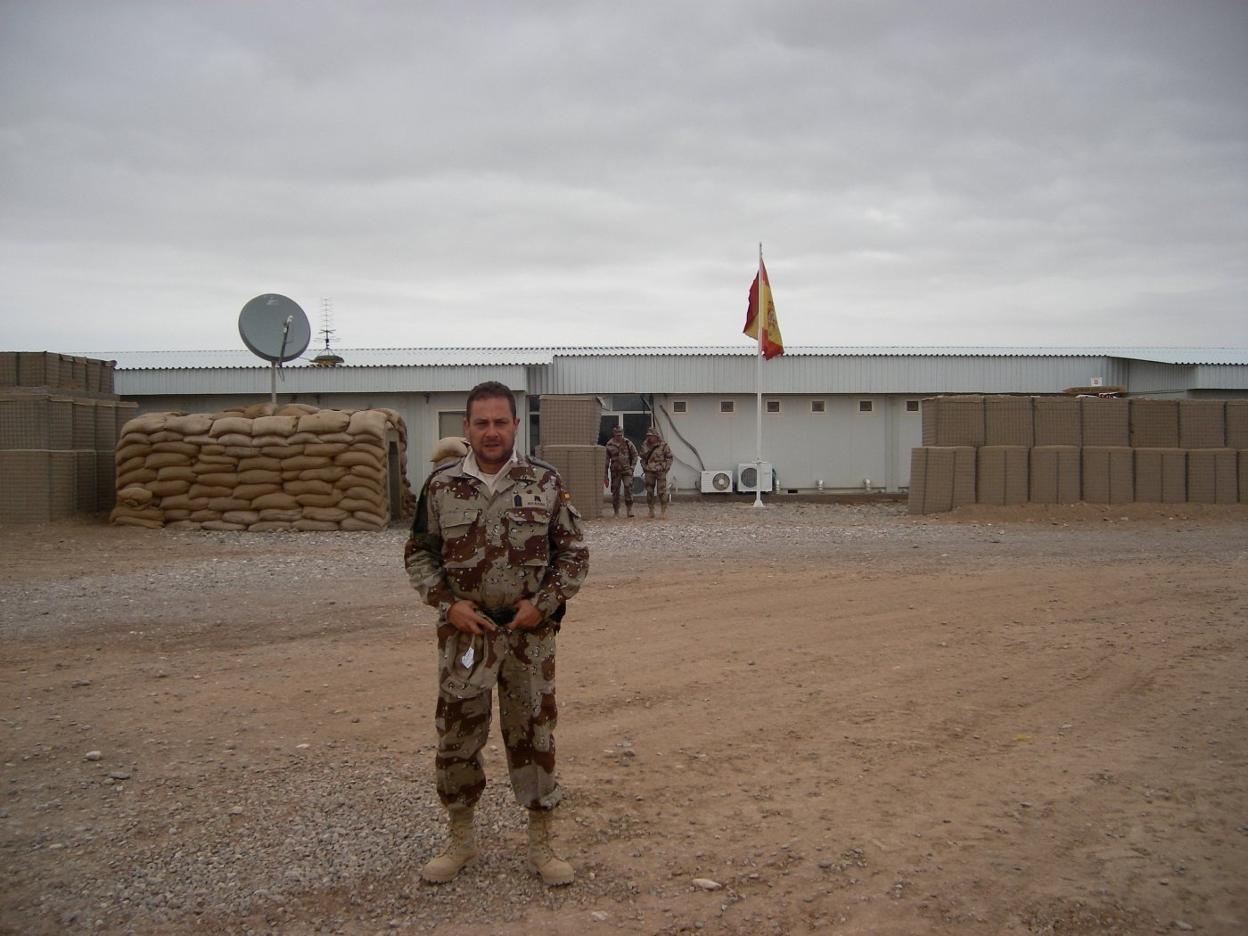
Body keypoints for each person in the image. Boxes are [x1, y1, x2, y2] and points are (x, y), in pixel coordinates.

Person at [404, 381, 589, 887]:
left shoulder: (544, 482)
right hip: (466, 636)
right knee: (457, 737)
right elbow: (419, 553)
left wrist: (542, 605)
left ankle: (542, 843)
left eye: (500, 422)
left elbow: (573, 555)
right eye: (481, 423)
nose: (491, 432)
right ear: (466, 427)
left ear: (515, 425)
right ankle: (460, 839)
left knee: (534, 735)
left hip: (529, 640)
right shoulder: (441, 486)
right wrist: (448, 605)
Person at [603, 425, 639, 518]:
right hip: (615, 471)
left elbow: (635, 455)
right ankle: (616, 511)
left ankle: (629, 509)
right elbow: (606, 461)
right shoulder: (609, 445)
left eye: (620, 435)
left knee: (628, 487)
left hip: (627, 470)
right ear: (614, 434)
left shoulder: (627, 443)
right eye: (617, 435)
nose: (619, 436)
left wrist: (632, 467)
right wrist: (605, 475)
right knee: (615, 490)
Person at [640, 426, 673, 518]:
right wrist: (645, 468)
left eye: (651, 436)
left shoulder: (663, 445)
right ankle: (651, 510)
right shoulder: (645, 445)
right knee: (649, 491)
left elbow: (669, 458)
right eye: (648, 436)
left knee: (662, 491)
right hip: (649, 471)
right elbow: (642, 458)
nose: (649, 437)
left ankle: (663, 511)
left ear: (656, 436)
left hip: (660, 471)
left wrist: (665, 468)